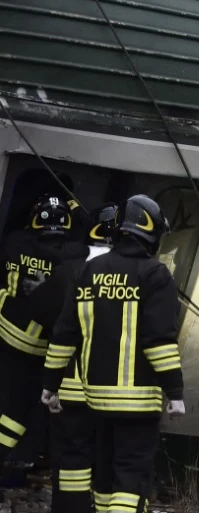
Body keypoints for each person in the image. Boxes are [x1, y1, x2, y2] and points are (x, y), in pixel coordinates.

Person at [40, 194, 185, 513]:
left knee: (103, 478)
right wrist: (174, 391)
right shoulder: (154, 274)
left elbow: (64, 334)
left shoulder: (87, 272)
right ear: (152, 232)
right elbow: (160, 340)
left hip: (96, 400)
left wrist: (51, 384)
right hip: (138, 401)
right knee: (131, 477)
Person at [29, 203, 117, 513]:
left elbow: (39, 311)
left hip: (72, 389)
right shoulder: (147, 278)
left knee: (71, 462)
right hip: (120, 395)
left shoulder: (70, 271)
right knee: (112, 461)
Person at [0, 194, 89, 464]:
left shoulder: (15, 241)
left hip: (7, 331)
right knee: (22, 407)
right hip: (39, 346)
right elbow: (87, 231)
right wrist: (74, 203)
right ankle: (16, 461)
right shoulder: (75, 254)